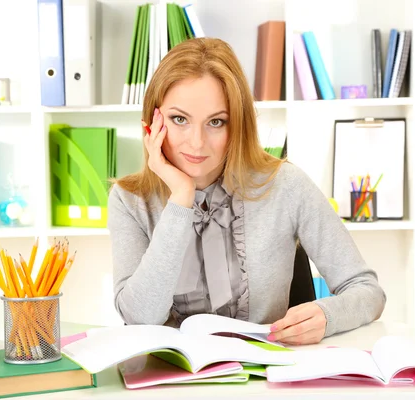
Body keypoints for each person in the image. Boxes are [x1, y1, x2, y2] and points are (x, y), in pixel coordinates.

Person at [108, 37, 386, 345]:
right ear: (153, 124)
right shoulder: (128, 200)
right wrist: (181, 198)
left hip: (267, 379)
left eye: (216, 122)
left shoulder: (286, 185)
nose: (197, 142)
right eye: (179, 119)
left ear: (238, 124)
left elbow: (367, 290)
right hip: (170, 384)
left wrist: (328, 315)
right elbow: (138, 317)